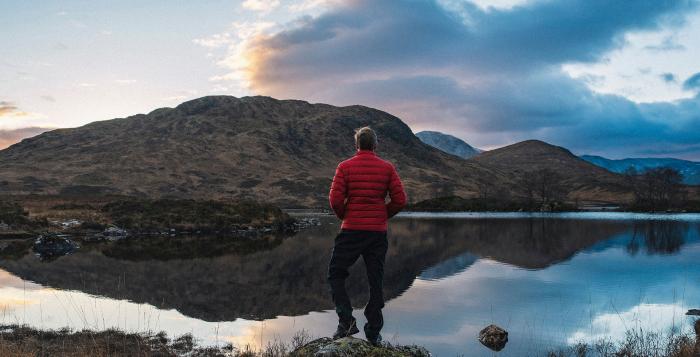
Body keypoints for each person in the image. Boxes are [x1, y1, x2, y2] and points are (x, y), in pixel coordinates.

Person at [327, 126, 407, 345]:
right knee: (375, 280)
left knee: (336, 274)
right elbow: (400, 200)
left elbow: (335, 201)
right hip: (376, 233)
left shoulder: (344, 167)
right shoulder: (387, 168)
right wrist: (382, 215)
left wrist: (346, 216)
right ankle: (373, 331)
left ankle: (346, 322)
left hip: (351, 231)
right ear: (375, 145)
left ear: (356, 145)